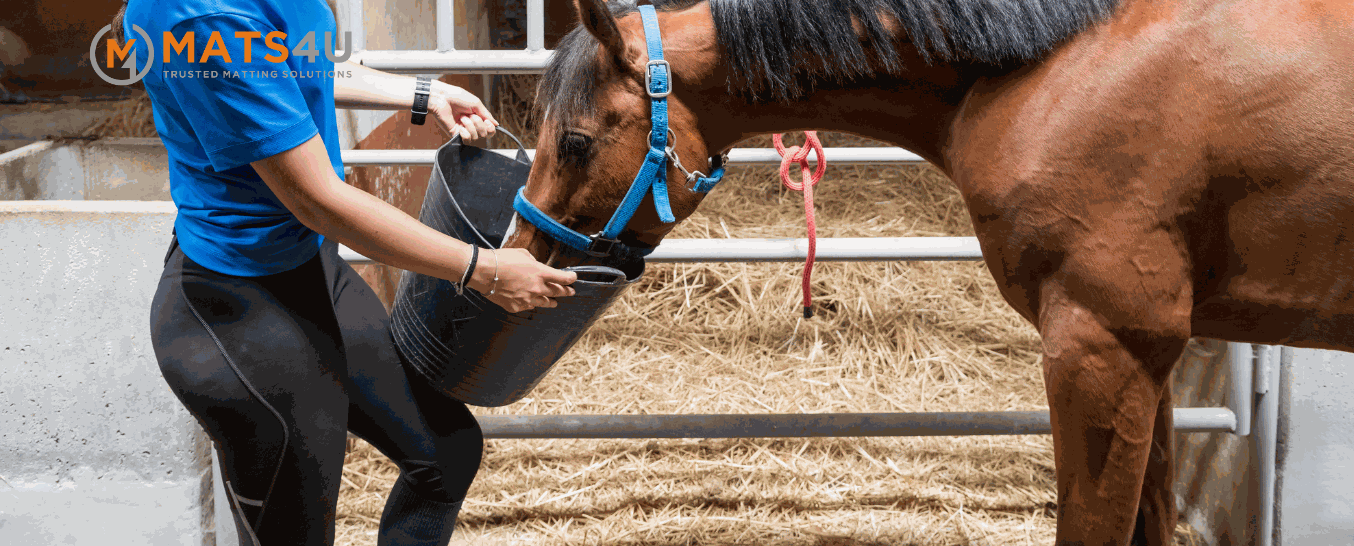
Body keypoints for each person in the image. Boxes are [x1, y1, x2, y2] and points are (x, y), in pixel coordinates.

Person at [115, 0, 577, 544]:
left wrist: (423, 94)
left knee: (444, 451)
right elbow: (319, 201)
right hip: (240, 307)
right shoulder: (198, 15)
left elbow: (291, 65)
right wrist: (484, 268)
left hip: (310, 269)